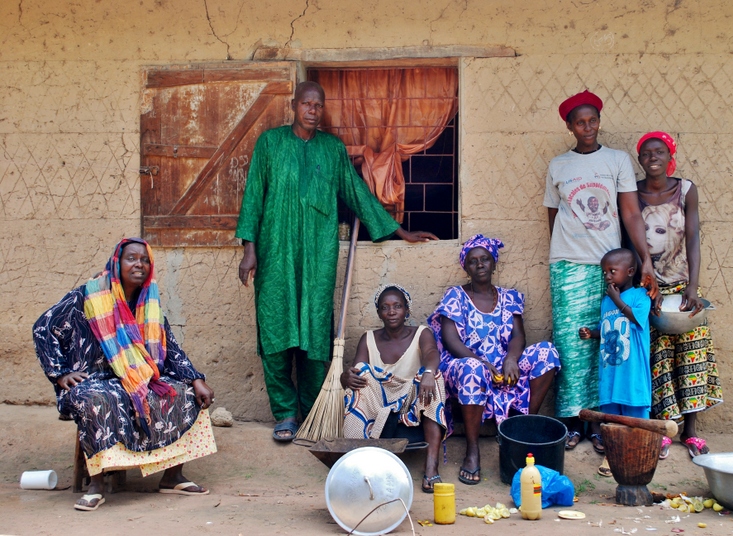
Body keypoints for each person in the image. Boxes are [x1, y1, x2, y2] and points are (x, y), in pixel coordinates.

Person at [235, 81, 437, 442]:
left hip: (318, 254)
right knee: (276, 328)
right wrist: (250, 249)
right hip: (275, 252)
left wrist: (398, 231)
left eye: (318, 105)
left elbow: (356, 192)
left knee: (315, 332)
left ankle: (314, 411)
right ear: (294, 105)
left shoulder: (332, 149)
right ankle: (284, 414)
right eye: (306, 104)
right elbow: (253, 195)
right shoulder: (270, 143)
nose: (313, 110)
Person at [32, 238, 216, 511]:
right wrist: (61, 374)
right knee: (96, 399)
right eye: (131, 258)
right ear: (117, 263)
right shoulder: (86, 295)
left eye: (144, 260)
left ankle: (172, 476)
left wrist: (196, 379)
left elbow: (171, 346)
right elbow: (43, 328)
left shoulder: (149, 302)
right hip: (94, 379)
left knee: (185, 392)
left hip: (139, 375)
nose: (138, 264)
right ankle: (96, 485)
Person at [544, 89, 659, 453]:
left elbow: (630, 214)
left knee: (606, 341)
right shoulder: (558, 166)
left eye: (593, 120)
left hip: (608, 265)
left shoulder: (617, 160)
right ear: (570, 126)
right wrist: (568, 250)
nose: (588, 127)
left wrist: (645, 260)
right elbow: (553, 215)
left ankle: (599, 423)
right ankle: (573, 421)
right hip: (567, 264)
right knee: (571, 341)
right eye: (580, 122)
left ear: (599, 122)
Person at [428, 235, 561, 485]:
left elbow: (518, 335)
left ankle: (520, 429)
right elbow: (450, 340)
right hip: (464, 365)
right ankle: (472, 449)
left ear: (494, 263)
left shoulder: (509, 297)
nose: (479, 265)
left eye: (485, 259)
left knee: (547, 353)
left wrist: (511, 359)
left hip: (503, 367)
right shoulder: (455, 296)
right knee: (472, 369)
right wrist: (481, 362)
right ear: (465, 267)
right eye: (473, 261)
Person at [635, 131, 722, 459]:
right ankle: (664, 428)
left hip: (683, 288)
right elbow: (630, 238)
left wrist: (692, 286)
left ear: (670, 157)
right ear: (640, 160)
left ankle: (691, 431)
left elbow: (694, 239)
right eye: (646, 153)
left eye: (659, 152)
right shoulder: (633, 192)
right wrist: (645, 287)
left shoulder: (686, 190)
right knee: (658, 361)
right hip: (649, 289)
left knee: (692, 357)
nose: (652, 158)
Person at [341, 285, 447, 493]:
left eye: (397, 306)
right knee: (361, 373)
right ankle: (358, 462)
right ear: (379, 312)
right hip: (379, 403)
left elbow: (431, 353)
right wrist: (346, 377)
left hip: (412, 399)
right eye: (385, 307)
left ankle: (431, 467)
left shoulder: (421, 333)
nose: (391, 312)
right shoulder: (368, 338)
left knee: (434, 378)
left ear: (407, 310)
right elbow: (359, 372)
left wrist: (428, 372)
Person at [579, 248, 651, 476]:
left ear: (630, 272)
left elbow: (634, 317)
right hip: (610, 372)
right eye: (604, 273)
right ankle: (612, 457)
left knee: (634, 417)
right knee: (611, 419)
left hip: (632, 374)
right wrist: (592, 333)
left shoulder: (641, 296)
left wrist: (616, 298)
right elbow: (608, 329)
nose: (607, 277)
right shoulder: (606, 302)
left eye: (612, 271)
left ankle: (639, 459)